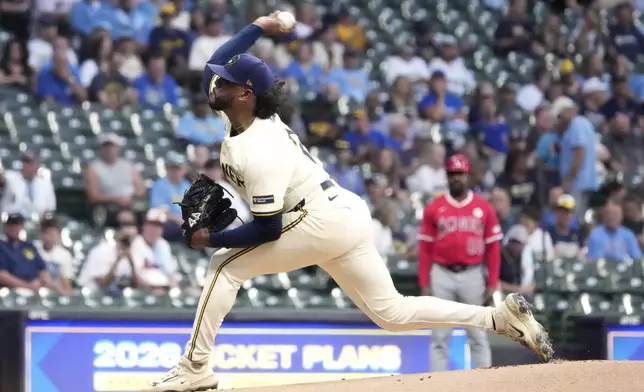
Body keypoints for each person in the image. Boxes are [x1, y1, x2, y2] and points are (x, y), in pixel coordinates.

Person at [143, 13, 553, 392]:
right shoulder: (242, 114)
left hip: (317, 219)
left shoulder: (259, 148)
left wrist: (211, 238)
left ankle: (195, 368)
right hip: (343, 212)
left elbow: (267, 229)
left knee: (223, 266)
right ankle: (497, 319)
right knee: (391, 313)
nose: (215, 84)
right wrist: (260, 25)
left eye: (225, 82)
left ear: (246, 94)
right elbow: (217, 60)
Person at [418, 154, 503, 371]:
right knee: (439, 334)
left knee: (477, 333)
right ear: (447, 176)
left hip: (472, 273)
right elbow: (425, 248)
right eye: (453, 174)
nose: (457, 178)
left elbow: (493, 248)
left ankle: (484, 382)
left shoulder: (484, 208)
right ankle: (436, 384)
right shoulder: (434, 208)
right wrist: (424, 281)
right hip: (442, 273)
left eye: (461, 174)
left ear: (468, 176)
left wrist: (492, 280)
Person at [0, 213, 56, 291]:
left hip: (34, 289)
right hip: (11, 292)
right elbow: (2, 276)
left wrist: (51, 286)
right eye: (10, 224)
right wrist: (28, 286)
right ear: (5, 226)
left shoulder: (28, 246)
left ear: (21, 226)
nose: (13, 227)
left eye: (16, 224)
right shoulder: (2, 247)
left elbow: (42, 271)